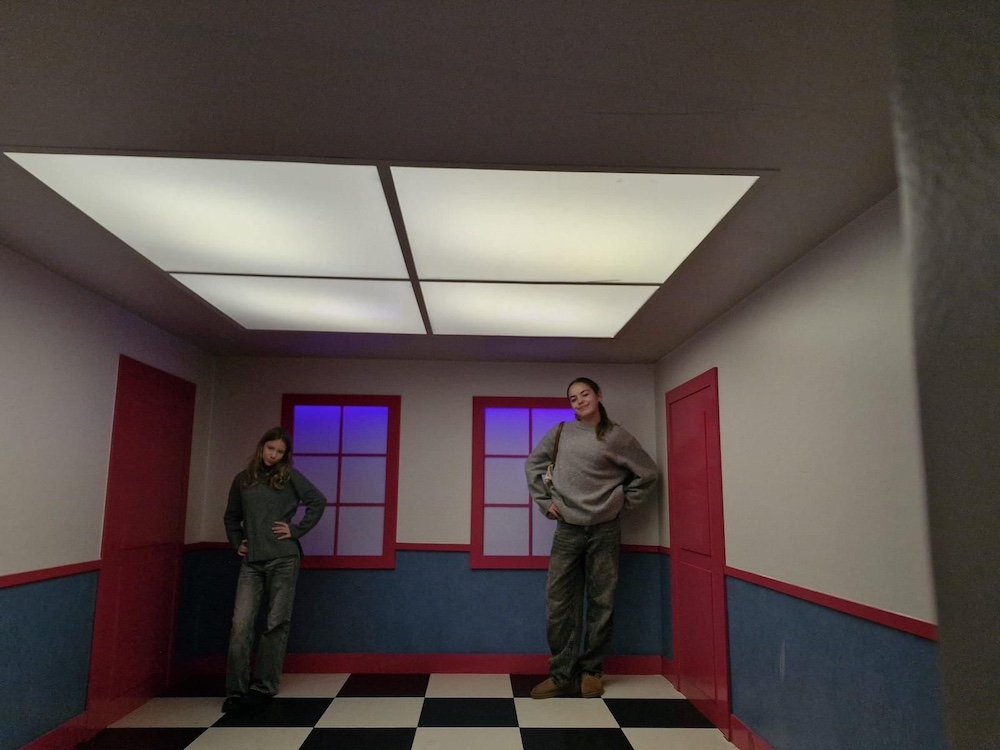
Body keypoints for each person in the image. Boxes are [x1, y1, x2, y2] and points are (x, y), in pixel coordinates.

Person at [524, 377, 658, 699]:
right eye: (573, 398)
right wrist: (545, 502)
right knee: (559, 603)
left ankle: (592, 673)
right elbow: (533, 466)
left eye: (584, 394)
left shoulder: (616, 436)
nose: (579, 401)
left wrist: (622, 502)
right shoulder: (560, 432)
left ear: (598, 395)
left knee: (602, 601)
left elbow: (648, 473)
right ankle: (561, 675)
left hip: (605, 529)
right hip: (567, 528)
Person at [221, 426, 326, 712]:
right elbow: (231, 517)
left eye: (280, 452)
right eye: (270, 449)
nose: (273, 455)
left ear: (285, 455)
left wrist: (296, 530)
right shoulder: (242, 480)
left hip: (284, 559)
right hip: (252, 562)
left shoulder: (289, 476)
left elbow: (318, 501)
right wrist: (237, 543)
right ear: (261, 447)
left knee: (276, 623)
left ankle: (264, 687)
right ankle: (235, 691)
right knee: (240, 625)